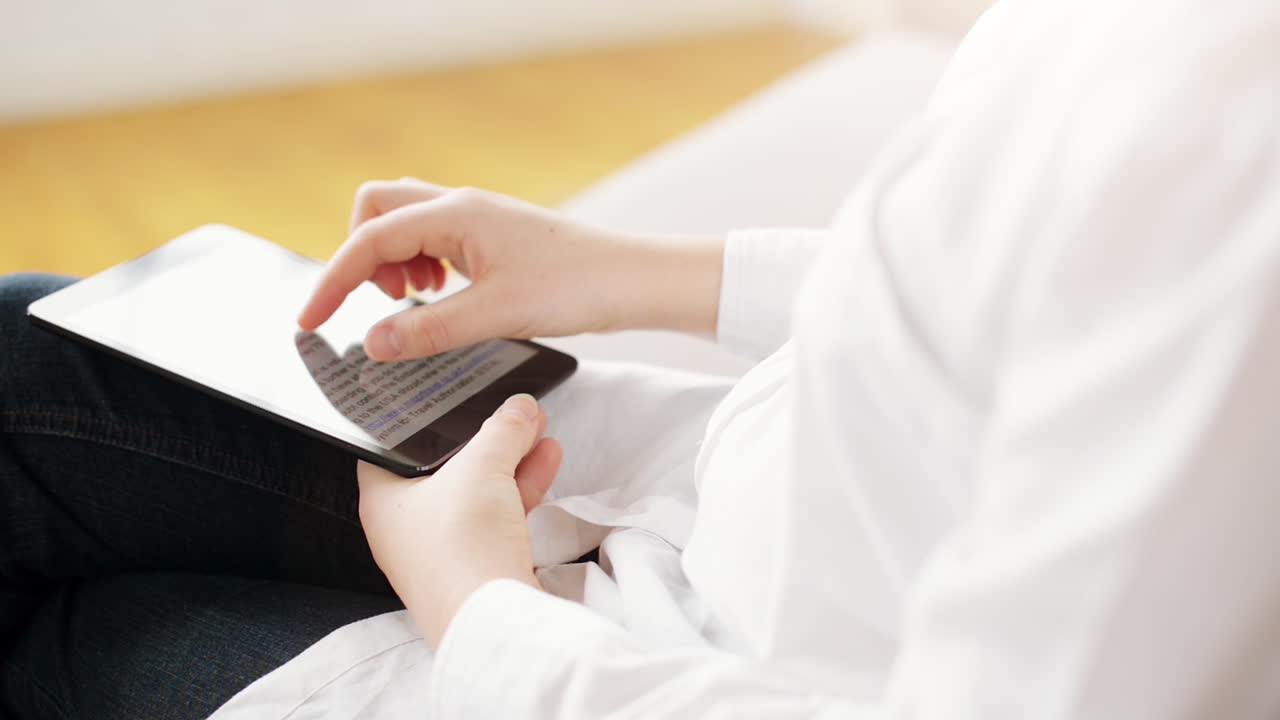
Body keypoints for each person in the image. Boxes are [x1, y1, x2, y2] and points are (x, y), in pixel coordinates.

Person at [3, 0, 1279, 717]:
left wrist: (475, 608)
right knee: (26, 342)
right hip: (685, 498)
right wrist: (631, 272)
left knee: (66, 644)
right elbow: (1000, 288)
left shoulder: (1229, 144)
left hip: (656, 672)